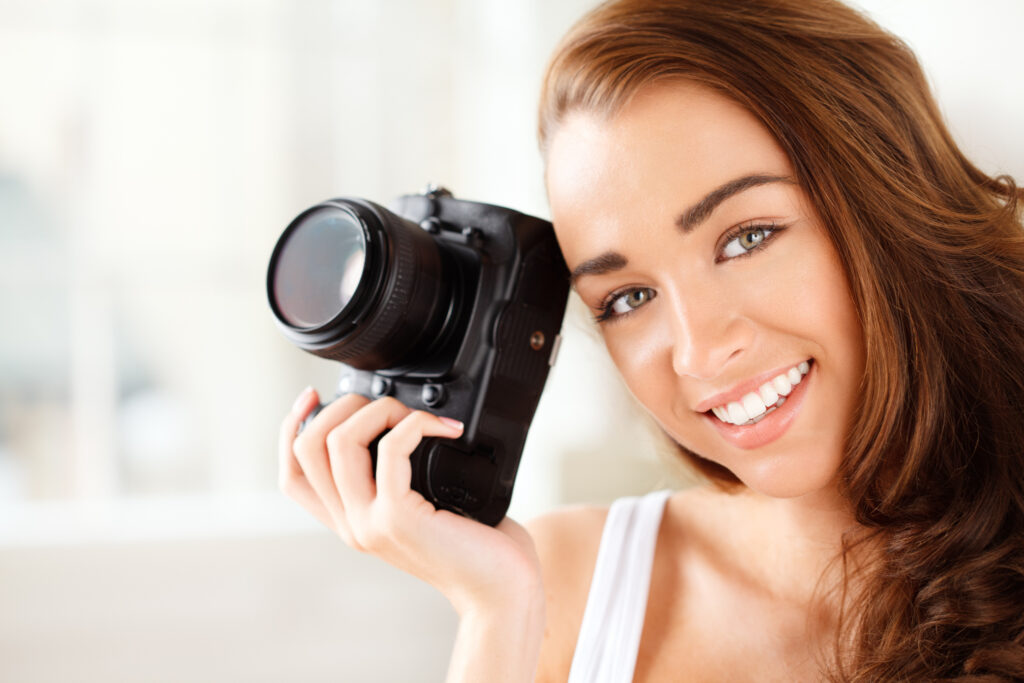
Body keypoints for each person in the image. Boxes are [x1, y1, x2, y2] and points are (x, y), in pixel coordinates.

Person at [278, 0, 1024, 680]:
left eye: (747, 237)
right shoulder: (567, 581)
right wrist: (496, 617)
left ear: (886, 197)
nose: (698, 351)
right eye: (627, 297)